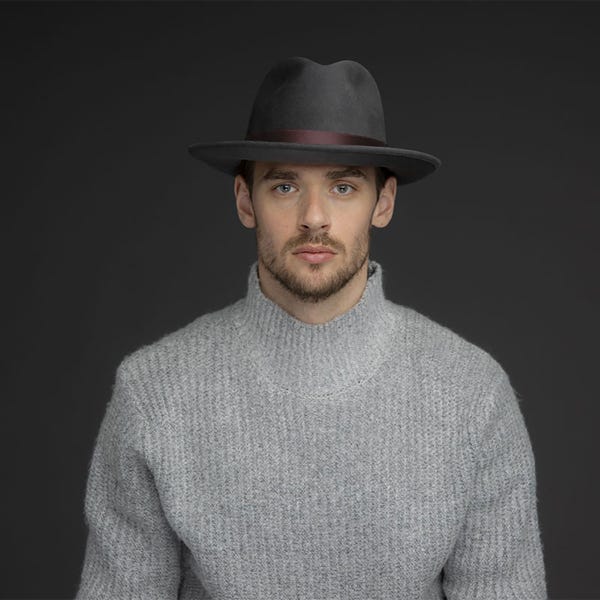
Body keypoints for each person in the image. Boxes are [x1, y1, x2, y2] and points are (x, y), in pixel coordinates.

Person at [75, 57, 547, 599]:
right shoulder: (154, 394)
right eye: (284, 186)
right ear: (245, 201)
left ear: (384, 202)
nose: (314, 216)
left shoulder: (472, 395)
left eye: (343, 187)